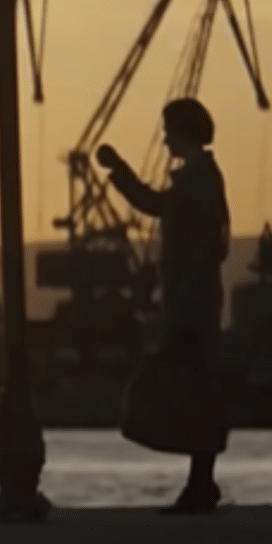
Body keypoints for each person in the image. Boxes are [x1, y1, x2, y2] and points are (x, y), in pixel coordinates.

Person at [97, 98, 230, 514]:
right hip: (189, 300)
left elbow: (207, 243)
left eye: (168, 129)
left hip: (192, 303)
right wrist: (120, 171)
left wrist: (184, 306)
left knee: (192, 390)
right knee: (195, 391)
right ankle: (200, 482)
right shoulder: (196, 178)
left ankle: (201, 483)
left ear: (184, 131)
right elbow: (157, 205)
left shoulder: (199, 180)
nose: (164, 137)